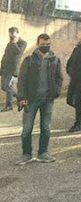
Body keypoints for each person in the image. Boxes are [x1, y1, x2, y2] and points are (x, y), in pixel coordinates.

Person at [16, 33, 63, 165]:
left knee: (46, 127)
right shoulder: (29, 60)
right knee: (27, 128)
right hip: (31, 100)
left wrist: (56, 92)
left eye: (48, 45)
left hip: (48, 99)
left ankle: (43, 153)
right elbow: (22, 80)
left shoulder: (55, 60)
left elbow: (59, 78)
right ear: (38, 44)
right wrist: (22, 97)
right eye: (43, 45)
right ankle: (26, 154)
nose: (45, 47)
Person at [1, 27, 27, 111]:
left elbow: (19, 52)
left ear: (18, 33)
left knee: (7, 86)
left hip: (13, 70)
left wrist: (14, 43)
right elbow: (5, 56)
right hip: (5, 69)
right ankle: (17, 100)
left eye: (13, 33)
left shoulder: (22, 43)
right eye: (10, 33)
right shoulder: (9, 43)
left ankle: (10, 105)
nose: (11, 35)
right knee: (4, 87)